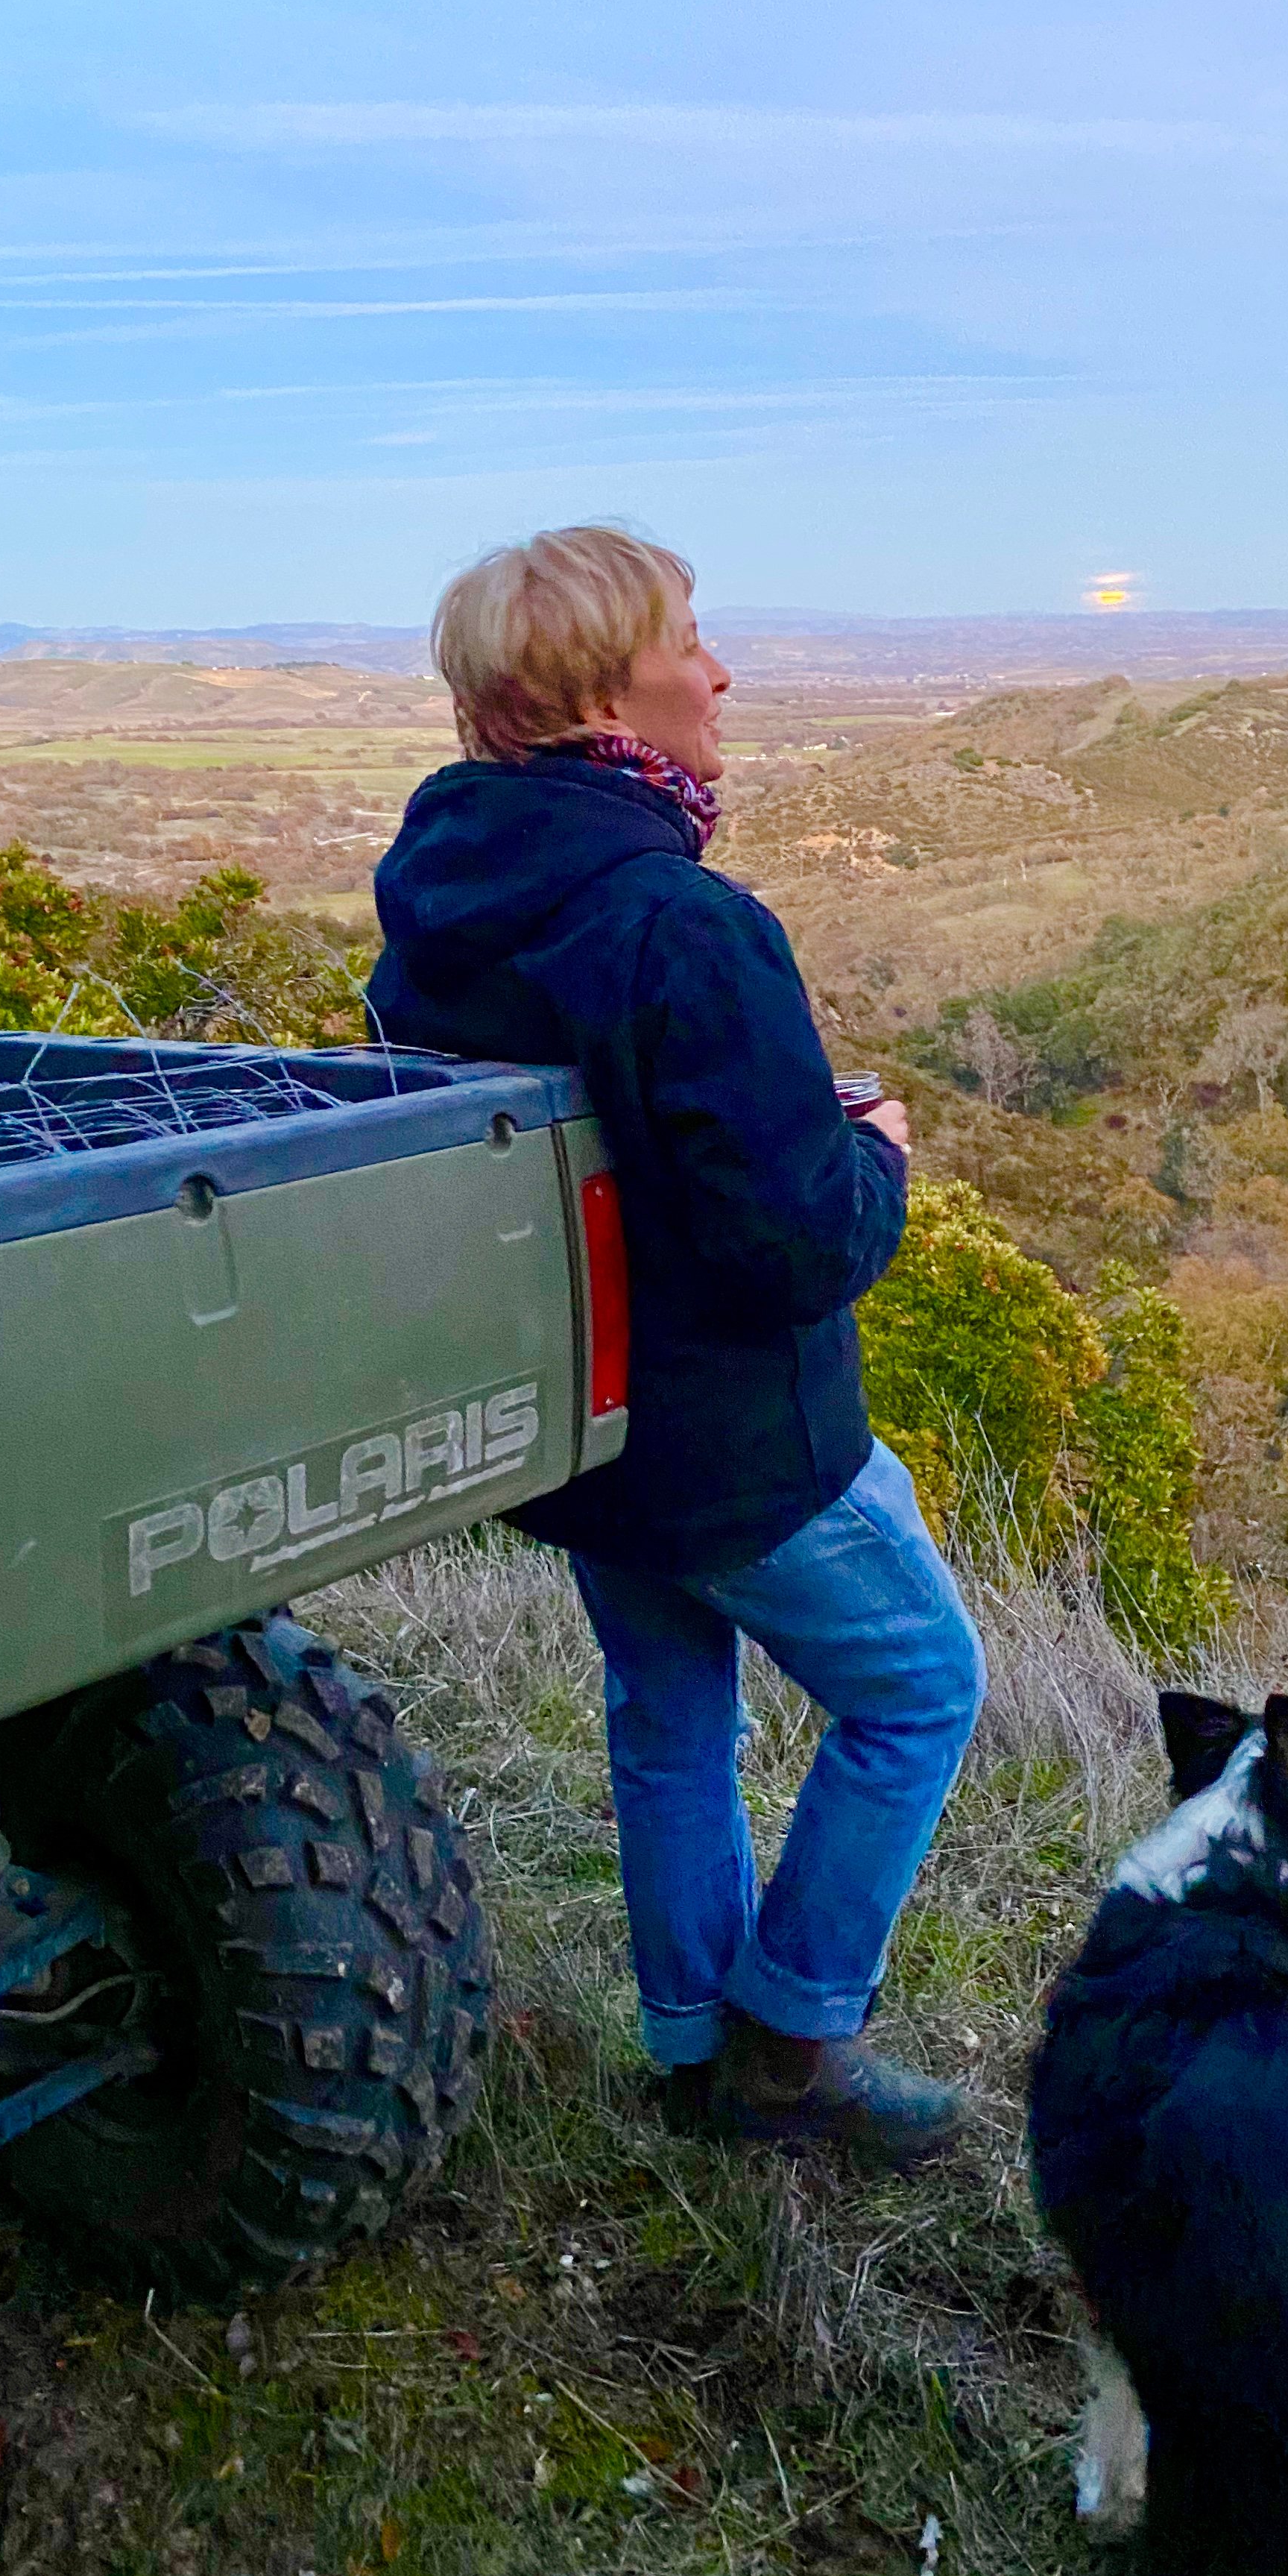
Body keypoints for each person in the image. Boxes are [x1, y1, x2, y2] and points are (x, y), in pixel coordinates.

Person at [369, 526, 986, 2169]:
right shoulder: (681, 923)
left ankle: (690, 2045)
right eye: (689, 643)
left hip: (582, 1426)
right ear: (598, 694)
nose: (720, 674)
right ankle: (790, 2041)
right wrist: (877, 1156)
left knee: (670, 1720)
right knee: (924, 1690)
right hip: (734, 1447)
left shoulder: (436, 913)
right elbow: (796, 1246)